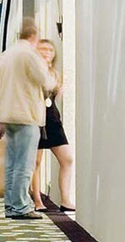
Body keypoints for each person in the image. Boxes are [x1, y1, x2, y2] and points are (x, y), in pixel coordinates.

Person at [0, 17, 54, 220]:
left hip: (8, 114)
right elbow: (45, 81)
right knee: (25, 163)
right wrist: (49, 69)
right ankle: (20, 206)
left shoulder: (6, 55)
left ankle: (11, 205)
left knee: (11, 164)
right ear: (34, 35)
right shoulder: (29, 54)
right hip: (26, 115)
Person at [30, 39, 76, 212]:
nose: (47, 52)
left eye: (50, 50)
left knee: (67, 158)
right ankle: (37, 200)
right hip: (35, 118)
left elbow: (57, 94)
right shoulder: (31, 72)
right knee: (36, 161)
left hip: (52, 118)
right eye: (43, 49)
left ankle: (66, 199)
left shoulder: (54, 74)